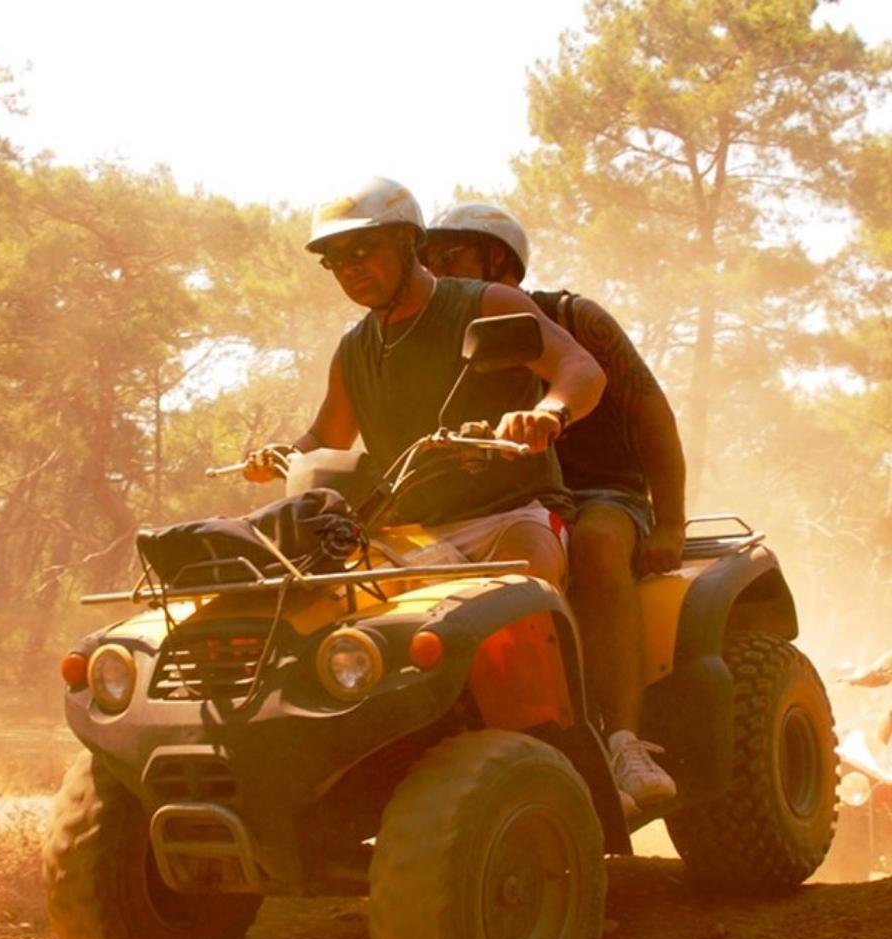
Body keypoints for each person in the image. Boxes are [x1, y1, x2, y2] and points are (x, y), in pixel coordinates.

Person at [424, 201, 685, 811]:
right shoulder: (441, 338)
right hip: (508, 499)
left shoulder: (574, 317)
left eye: (452, 257)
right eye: (429, 263)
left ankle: (623, 744)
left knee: (593, 544)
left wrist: (669, 520)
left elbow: (653, 413)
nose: (438, 272)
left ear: (500, 260)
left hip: (602, 492)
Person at [246, 176, 605, 594]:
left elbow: (580, 367)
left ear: (407, 241)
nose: (350, 267)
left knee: (524, 594)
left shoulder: (485, 304)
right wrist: (283, 458)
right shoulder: (353, 350)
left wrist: (548, 413)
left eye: (362, 249)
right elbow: (327, 438)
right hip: (409, 534)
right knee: (339, 611)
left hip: (513, 516)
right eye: (334, 258)